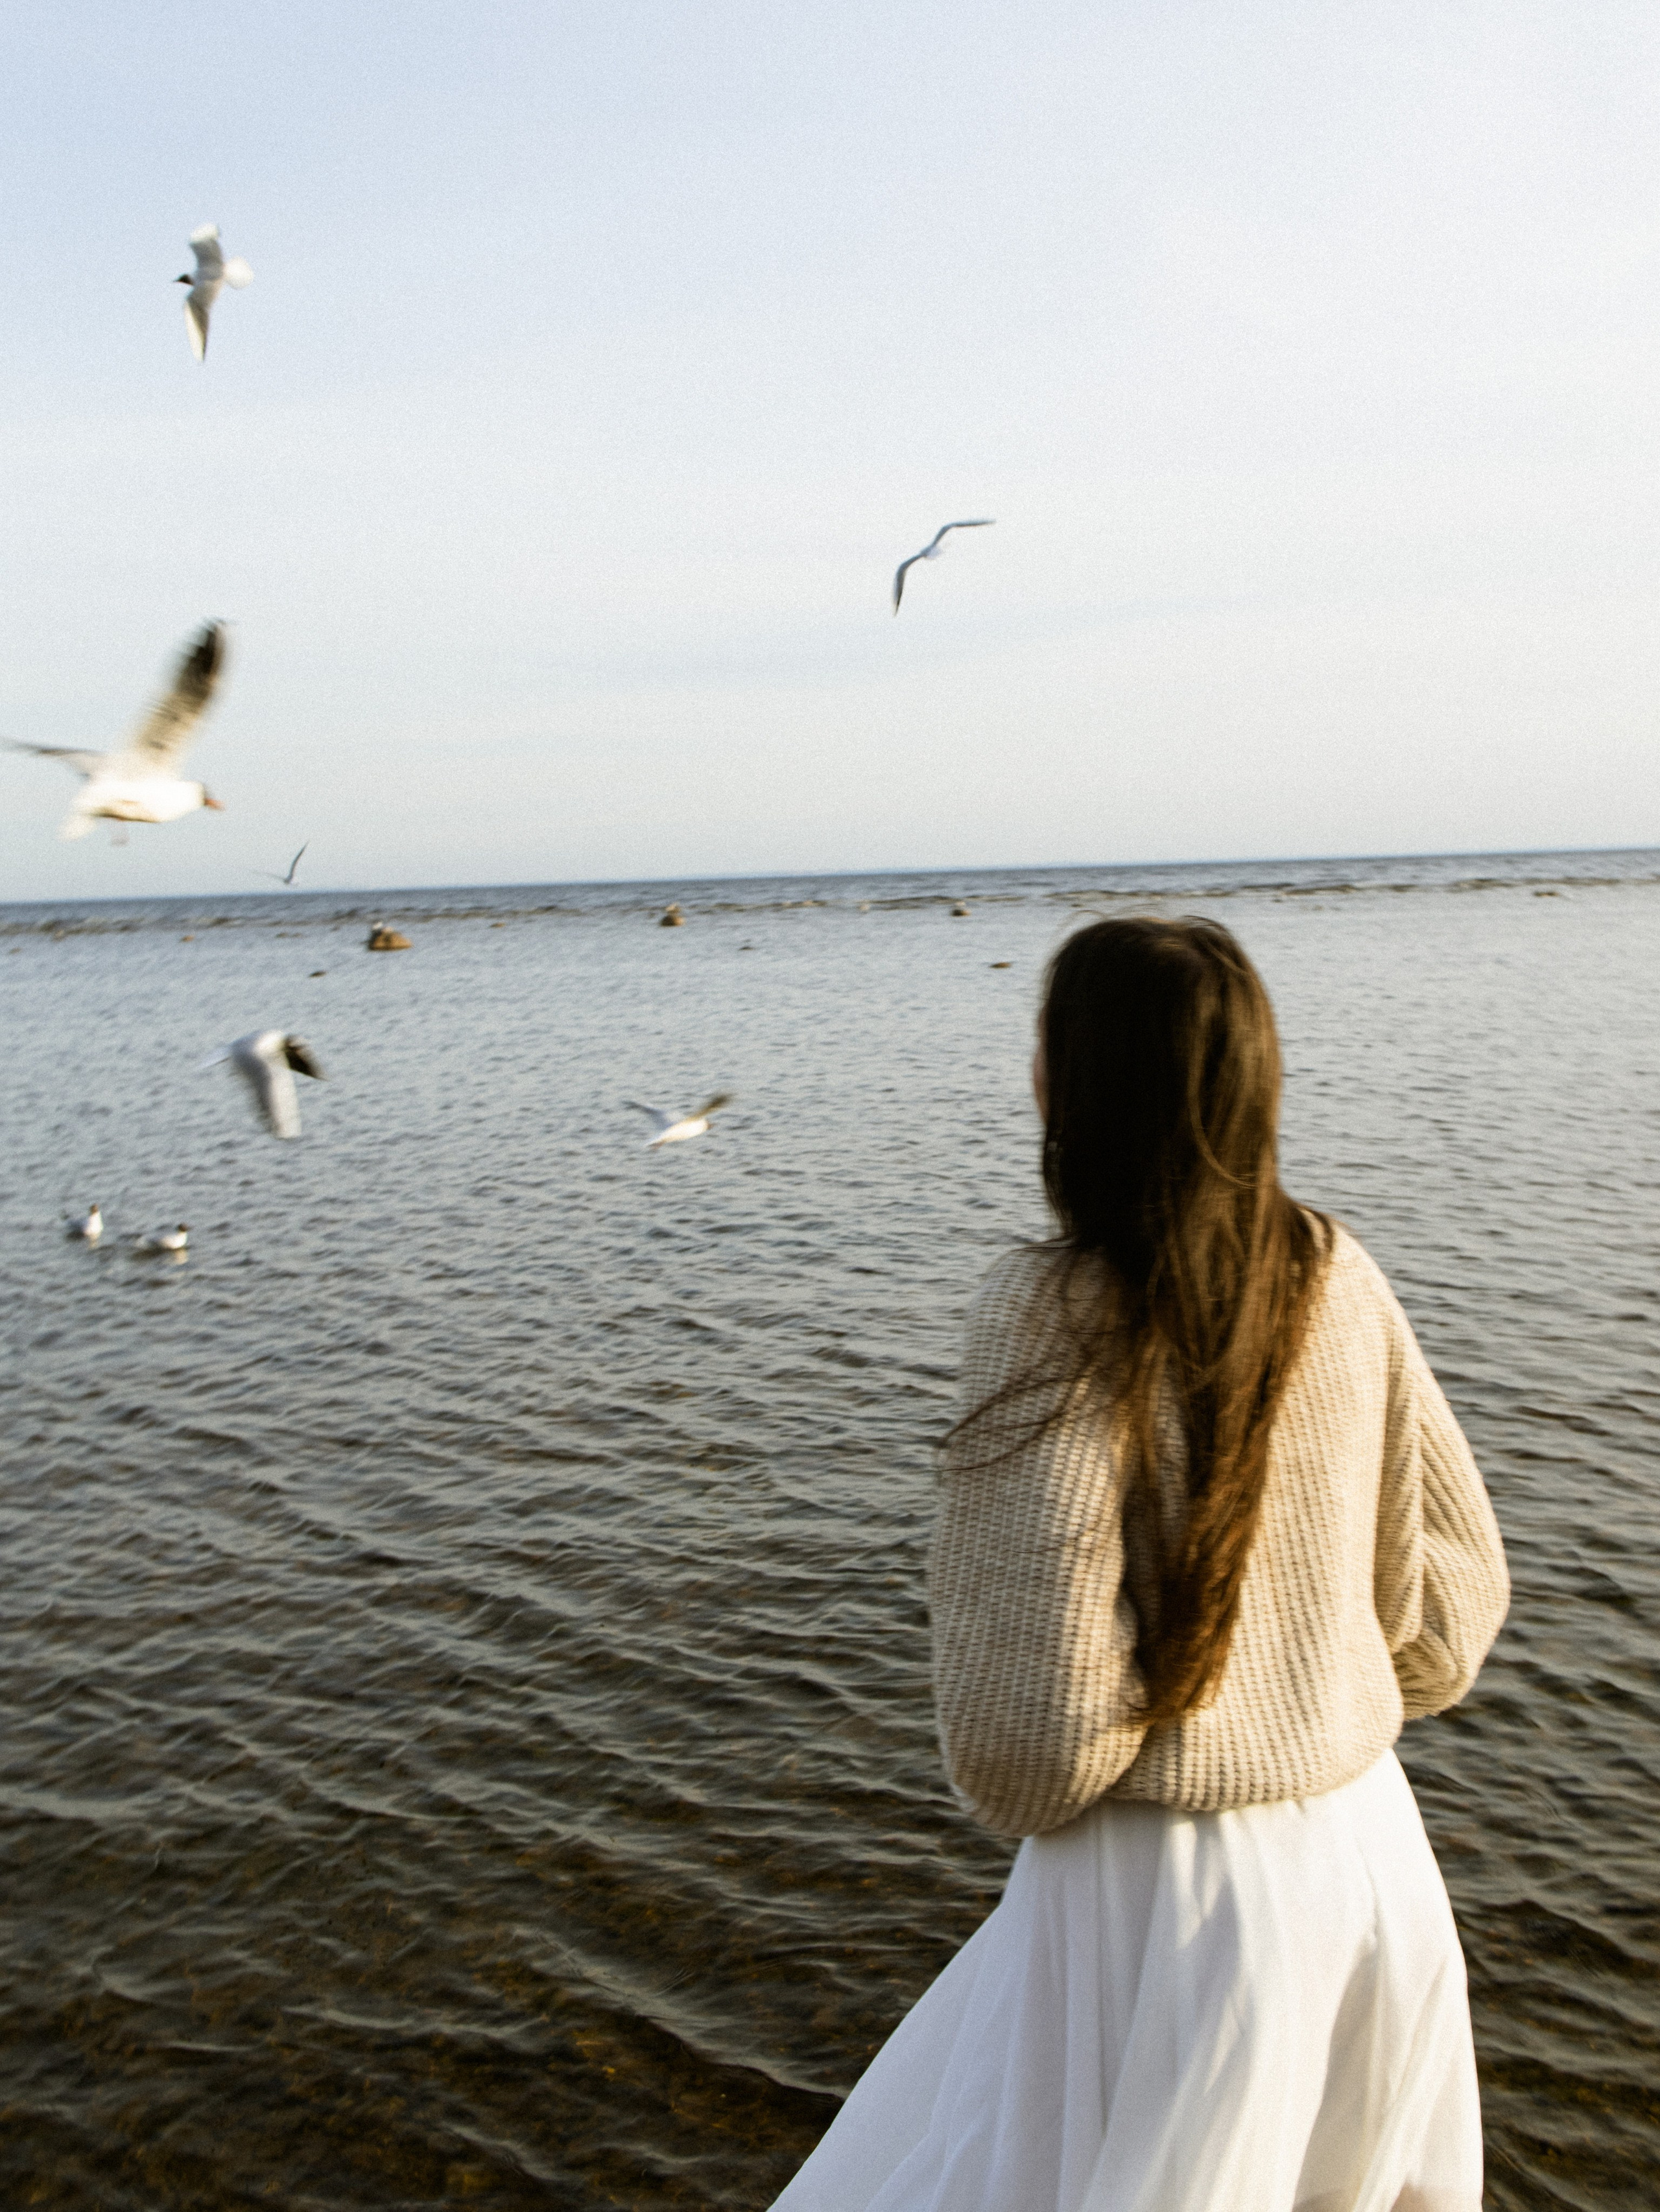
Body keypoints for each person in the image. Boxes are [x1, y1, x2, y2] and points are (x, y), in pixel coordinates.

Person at [771, 915, 1509, 2212]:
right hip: (1369, 1864)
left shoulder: (1050, 1307)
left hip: (1166, 1912)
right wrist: (1311, 1675)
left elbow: (1029, 1748)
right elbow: (1448, 1611)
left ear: (1079, 1080)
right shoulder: (1336, 1269)